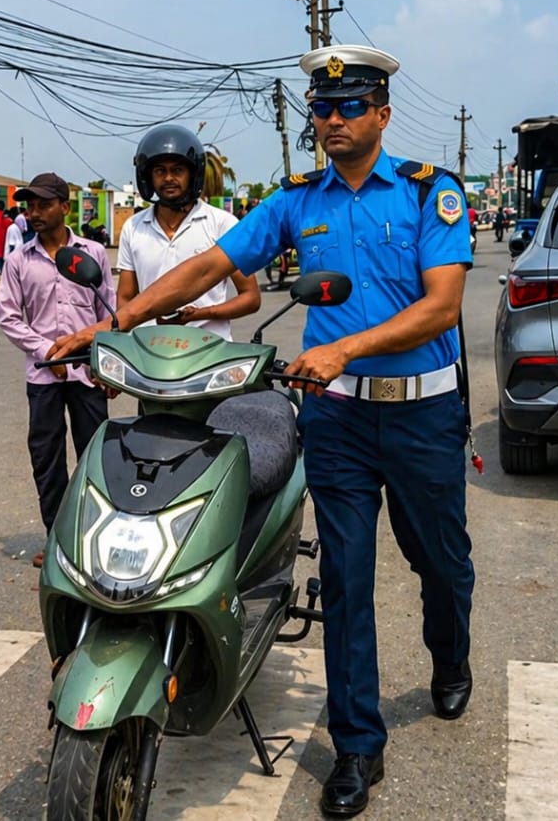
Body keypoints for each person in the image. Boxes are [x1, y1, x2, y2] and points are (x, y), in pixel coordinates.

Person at [49, 44, 475, 817]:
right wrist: (116, 322)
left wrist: (343, 346)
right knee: (345, 579)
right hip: (337, 417)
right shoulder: (294, 201)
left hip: (422, 413)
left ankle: (450, 656)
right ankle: (357, 746)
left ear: (381, 114)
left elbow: (441, 306)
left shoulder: (427, 194)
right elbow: (206, 268)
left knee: (439, 562)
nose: (333, 120)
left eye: (349, 107)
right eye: (322, 108)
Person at [0, 173, 115, 568]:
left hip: (87, 374)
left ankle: (96, 538)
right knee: (46, 459)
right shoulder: (18, 260)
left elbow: (109, 312)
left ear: (65, 207)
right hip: (44, 375)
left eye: (44, 205)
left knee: (95, 458)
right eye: (30, 206)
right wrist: (47, 350)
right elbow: (9, 316)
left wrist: (105, 365)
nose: (35, 212)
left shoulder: (93, 254)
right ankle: (58, 540)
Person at [117, 124, 260, 341]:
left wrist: (200, 314)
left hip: (209, 349)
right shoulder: (133, 227)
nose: (168, 178)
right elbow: (125, 298)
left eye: (177, 170)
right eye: (160, 171)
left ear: (193, 175)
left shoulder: (222, 223)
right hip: (149, 349)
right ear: (148, 177)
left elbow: (251, 297)